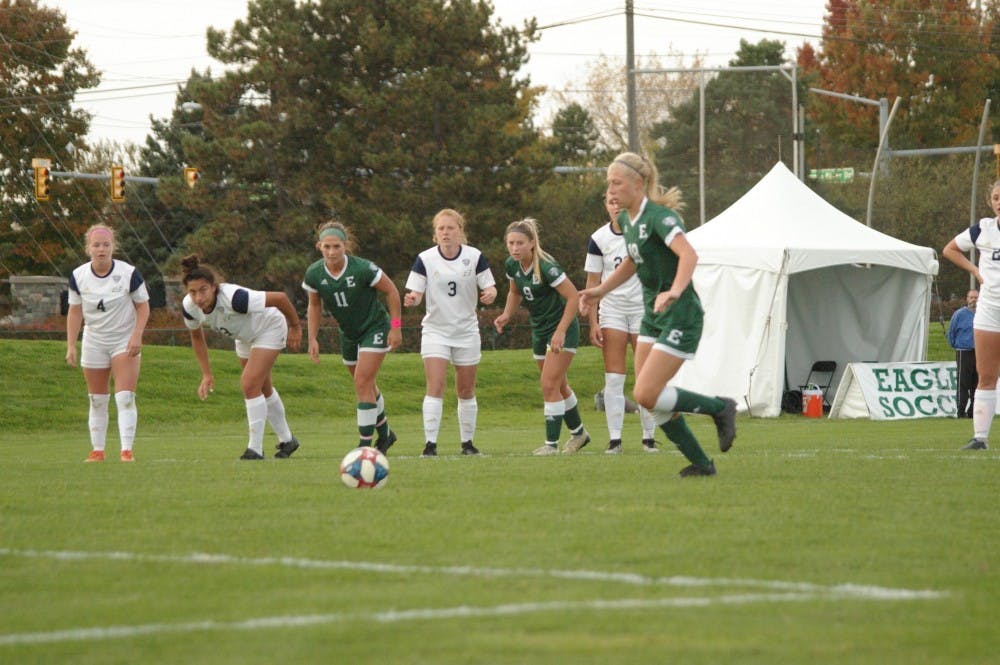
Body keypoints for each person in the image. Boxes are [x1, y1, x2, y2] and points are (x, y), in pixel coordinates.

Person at [579, 152, 736, 477]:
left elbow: (688, 255)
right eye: (609, 182)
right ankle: (702, 464)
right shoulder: (626, 221)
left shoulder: (660, 218)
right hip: (653, 315)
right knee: (650, 398)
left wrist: (676, 290)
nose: (610, 189)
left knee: (644, 393)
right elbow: (633, 262)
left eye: (616, 182)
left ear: (638, 184)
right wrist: (600, 291)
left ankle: (720, 408)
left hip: (680, 314)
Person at [180, 255, 303, 460]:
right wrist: (206, 373)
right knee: (262, 388)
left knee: (248, 384)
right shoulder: (190, 308)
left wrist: (295, 326)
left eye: (203, 290)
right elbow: (196, 337)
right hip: (244, 336)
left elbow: (280, 298)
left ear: (214, 287)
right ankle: (287, 440)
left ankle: (255, 449)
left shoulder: (235, 298)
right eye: (192, 292)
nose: (198, 297)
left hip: (269, 327)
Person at [493, 218, 590, 456]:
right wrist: (507, 314)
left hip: (561, 330)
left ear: (532, 243)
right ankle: (579, 434)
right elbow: (515, 291)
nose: (515, 248)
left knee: (548, 385)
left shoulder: (547, 266)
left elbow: (573, 297)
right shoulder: (512, 265)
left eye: (520, 243)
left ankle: (551, 445)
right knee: (559, 385)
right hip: (539, 330)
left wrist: (560, 331)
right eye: (511, 243)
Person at [404, 209, 497, 457]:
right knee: (435, 385)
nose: (446, 233)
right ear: (435, 234)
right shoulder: (425, 259)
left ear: (460, 231)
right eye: (441, 229)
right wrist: (413, 299)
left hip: (466, 331)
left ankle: (467, 444)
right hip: (436, 331)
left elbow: (490, 287)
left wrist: (490, 294)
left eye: (450, 228)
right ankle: (430, 445)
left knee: (466, 390)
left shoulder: (474, 256)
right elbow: (416, 292)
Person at [303, 220, 402, 453]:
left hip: (375, 328)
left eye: (336, 246)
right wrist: (312, 338)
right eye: (326, 247)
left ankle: (364, 447)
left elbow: (392, 291)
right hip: (348, 333)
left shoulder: (363, 268)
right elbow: (314, 306)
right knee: (365, 385)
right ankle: (386, 434)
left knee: (362, 382)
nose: (331, 251)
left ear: (345, 246)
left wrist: (395, 327)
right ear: (319, 246)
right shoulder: (314, 273)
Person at [66, 223, 150, 462]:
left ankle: (126, 451)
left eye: (106, 244)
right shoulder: (78, 276)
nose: (101, 249)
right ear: (88, 249)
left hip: (123, 339)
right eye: (96, 245)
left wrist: (137, 335)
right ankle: (98, 450)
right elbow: (75, 312)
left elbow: (143, 307)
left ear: (113, 247)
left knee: (124, 397)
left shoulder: (128, 273)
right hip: (94, 340)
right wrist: (71, 345)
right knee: (97, 399)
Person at [585, 191, 660, 454]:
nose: (615, 205)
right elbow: (593, 284)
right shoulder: (598, 239)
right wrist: (593, 322)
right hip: (613, 311)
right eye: (610, 201)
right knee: (614, 378)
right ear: (605, 205)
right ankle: (615, 440)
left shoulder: (644, 233)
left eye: (619, 200)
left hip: (643, 310)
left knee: (646, 376)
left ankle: (648, 438)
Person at [942, 179, 1000, 450]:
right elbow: (949, 249)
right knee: (985, 375)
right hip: (989, 311)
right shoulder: (984, 229)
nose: (999, 202)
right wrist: (976, 272)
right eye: (997, 198)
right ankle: (980, 438)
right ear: (991, 202)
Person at [946, 289, 978, 418]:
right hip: (963, 351)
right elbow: (951, 332)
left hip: (980, 352)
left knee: (977, 383)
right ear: (967, 299)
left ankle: (973, 411)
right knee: (963, 383)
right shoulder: (959, 314)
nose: (974, 300)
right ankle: (960, 411)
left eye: (976, 298)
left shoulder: (984, 314)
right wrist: (957, 345)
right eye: (971, 297)